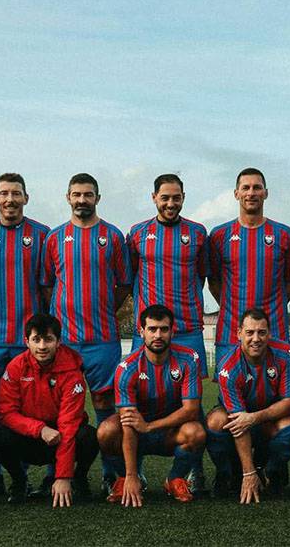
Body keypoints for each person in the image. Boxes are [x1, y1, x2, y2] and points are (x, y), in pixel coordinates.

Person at [40, 172, 132, 495]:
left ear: (97, 198)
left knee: (106, 405)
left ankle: (112, 474)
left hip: (103, 339)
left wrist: (104, 308)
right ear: (68, 197)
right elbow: (48, 284)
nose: (82, 200)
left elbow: (124, 285)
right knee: (59, 407)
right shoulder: (54, 238)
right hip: (65, 342)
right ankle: (58, 473)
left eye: (88, 194)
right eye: (76, 194)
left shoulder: (113, 236)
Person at [127, 173, 209, 494]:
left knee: (194, 403)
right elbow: (130, 277)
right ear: (154, 198)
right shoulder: (136, 234)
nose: (171, 203)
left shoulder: (198, 234)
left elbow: (203, 277)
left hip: (187, 328)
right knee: (139, 398)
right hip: (145, 333)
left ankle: (193, 471)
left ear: (183, 198)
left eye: (176, 198)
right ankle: (138, 473)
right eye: (165, 198)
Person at [0, 172, 50, 498]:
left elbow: (48, 288)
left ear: (26, 198)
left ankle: (38, 473)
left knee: (33, 405)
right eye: (4, 193)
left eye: (16, 193)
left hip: (30, 340)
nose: (10, 199)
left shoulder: (43, 235)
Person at [97, 305, 204, 506]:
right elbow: (128, 423)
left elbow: (191, 410)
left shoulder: (188, 359)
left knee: (196, 431)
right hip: (136, 433)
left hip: (170, 432)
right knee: (107, 430)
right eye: (152, 329)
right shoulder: (127, 368)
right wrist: (130, 475)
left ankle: (174, 479)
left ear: (172, 331)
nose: (158, 335)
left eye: (164, 329)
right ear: (141, 331)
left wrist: (149, 426)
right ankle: (125, 479)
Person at [0, 313, 98, 507]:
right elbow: (6, 413)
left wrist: (63, 476)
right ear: (27, 342)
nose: (42, 346)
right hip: (31, 434)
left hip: (62, 434)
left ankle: (78, 477)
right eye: (36, 340)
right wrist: (39, 429)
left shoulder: (72, 371)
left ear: (59, 341)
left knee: (90, 436)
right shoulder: (16, 367)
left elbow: (68, 424)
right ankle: (20, 481)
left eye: (48, 339)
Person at [207, 308, 290, 503]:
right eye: (249, 333)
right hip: (237, 423)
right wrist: (247, 473)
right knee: (216, 421)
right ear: (239, 333)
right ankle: (229, 473)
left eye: (261, 332)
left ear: (270, 333)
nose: (256, 338)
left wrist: (255, 417)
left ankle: (271, 470)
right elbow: (238, 421)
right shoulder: (228, 367)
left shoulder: (285, 354)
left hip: (266, 421)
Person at [208, 167, 290, 367]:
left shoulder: (284, 234)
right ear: (236, 193)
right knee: (229, 395)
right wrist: (231, 305)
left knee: (278, 392)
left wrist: (274, 304)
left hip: (275, 330)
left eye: (257, 188)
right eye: (246, 188)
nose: (251, 193)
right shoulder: (218, 235)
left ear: (266, 193)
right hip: (231, 331)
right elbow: (213, 281)